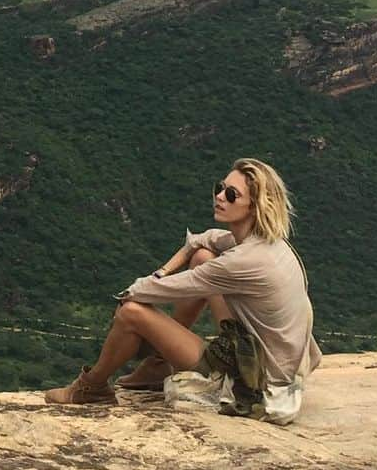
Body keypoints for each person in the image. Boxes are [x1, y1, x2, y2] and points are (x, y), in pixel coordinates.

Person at [44, 158, 320, 425]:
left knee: (132, 313)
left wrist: (132, 291)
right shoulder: (267, 243)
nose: (220, 197)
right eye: (219, 188)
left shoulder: (243, 261)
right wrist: (170, 265)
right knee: (202, 256)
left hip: (254, 383)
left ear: (254, 206)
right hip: (268, 360)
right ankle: (158, 363)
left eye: (232, 194)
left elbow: (160, 290)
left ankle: (91, 388)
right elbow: (208, 239)